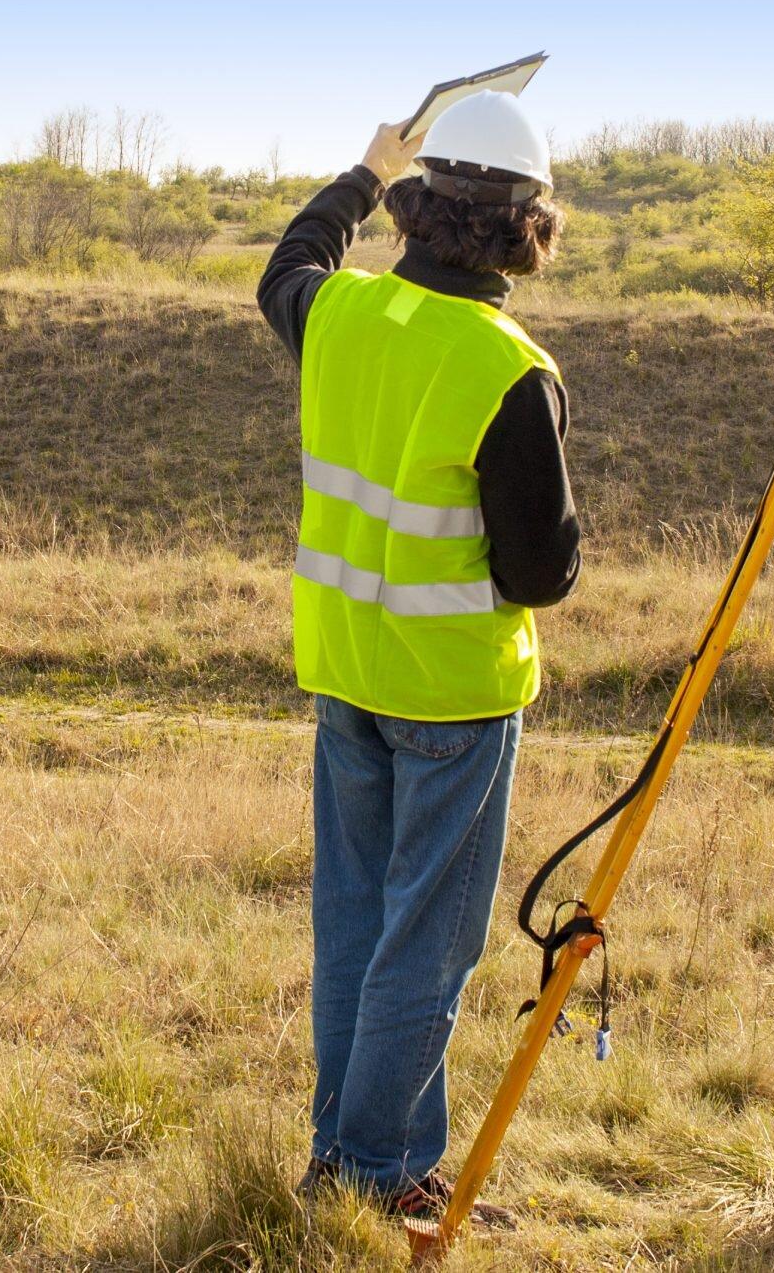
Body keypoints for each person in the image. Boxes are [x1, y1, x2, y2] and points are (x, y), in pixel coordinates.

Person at [253, 91, 580, 1224]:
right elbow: (540, 571)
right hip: (452, 695)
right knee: (425, 947)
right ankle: (372, 1170)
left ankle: (352, 1153)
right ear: (526, 229)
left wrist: (359, 170)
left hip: (346, 671)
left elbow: (286, 265)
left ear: (416, 203)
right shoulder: (509, 369)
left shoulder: (338, 314)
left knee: (357, 926)